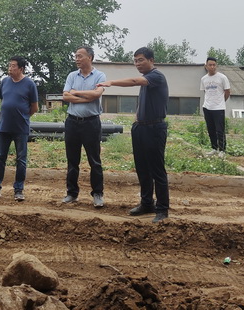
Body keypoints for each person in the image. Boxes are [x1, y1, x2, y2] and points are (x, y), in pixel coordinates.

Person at [98, 47, 169, 223]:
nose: (137, 64)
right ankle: (147, 203)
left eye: (141, 60)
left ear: (151, 60)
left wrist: (111, 82)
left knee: (157, 170)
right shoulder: (147, 79)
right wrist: (137, 120)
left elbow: (134, 81)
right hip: (141, 128)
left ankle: (162, 209)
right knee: (142, 169)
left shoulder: (156, 76)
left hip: (155, 128)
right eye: (135, 61)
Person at [0, 56, 39, 201]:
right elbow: (4, 100)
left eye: (13, 66)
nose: (10, 68)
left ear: (21, 69)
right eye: (9, 65)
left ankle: (18, 190)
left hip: (21, 128)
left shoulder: (29, 84)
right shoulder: (5, 82)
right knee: (0, 157)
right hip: (4, 127)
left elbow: (34, 107)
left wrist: (23, 116)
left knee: (21, 159)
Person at [62, 46, 106, 208]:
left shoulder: (100, 75)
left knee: (95, 161)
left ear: (90, 57)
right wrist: (86, 97)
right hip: (72, 122)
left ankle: (97, 193)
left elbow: (96, 94)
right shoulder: (72, 75)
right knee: (72, 160)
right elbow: (65, 96)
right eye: (76, 56)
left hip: (91, 123)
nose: (77, 59)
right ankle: (72, 193)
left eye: (80, 56)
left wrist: (76, 92)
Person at [200, 57, 231, 157]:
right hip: (207, 107)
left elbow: (227, 91)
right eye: (210, 65)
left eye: (214, 65)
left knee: (220, 130)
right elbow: (205, 92)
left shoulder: (222, 77)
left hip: (218, 108)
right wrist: (209, 102)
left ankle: (222, 150)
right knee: (211, 129)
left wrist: (221, 101)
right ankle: (214, 148)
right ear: (206, 66)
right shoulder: (204, 79)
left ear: (216, 66)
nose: (212, 67)